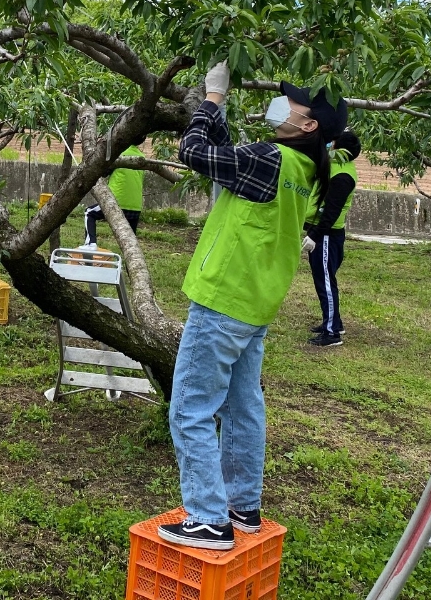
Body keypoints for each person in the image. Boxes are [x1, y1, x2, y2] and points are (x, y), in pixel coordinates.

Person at [158, 62, 347, 551]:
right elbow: (228, 159)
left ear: (308, 125)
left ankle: (207, 518)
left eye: (294, 104)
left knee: (189, 410)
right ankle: (242, 508)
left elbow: (195, 151)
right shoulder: (303, 167)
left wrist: (214, 98)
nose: (282, 106)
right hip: (256, 305)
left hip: (223, 299)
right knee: (243, 407)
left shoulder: (271, 159)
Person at [305, 129, 361, 347]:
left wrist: (314, 235)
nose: (329, 145)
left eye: (332, 142)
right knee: (326, 279)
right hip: (326, 234)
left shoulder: (343, 176)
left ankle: (331, 334)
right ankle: (334, 322)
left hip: (327, 235)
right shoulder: (338, 167)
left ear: (339, 146)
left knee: (326, 283)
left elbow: (331, 211)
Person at [80, 137, 146, 250]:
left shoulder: (119, 153)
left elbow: (104, 172)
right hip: (136, 207)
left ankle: (90, 243)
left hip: (117, 202)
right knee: (131, 245)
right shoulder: (142, 157)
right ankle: (131, 266)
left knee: (89, 213)